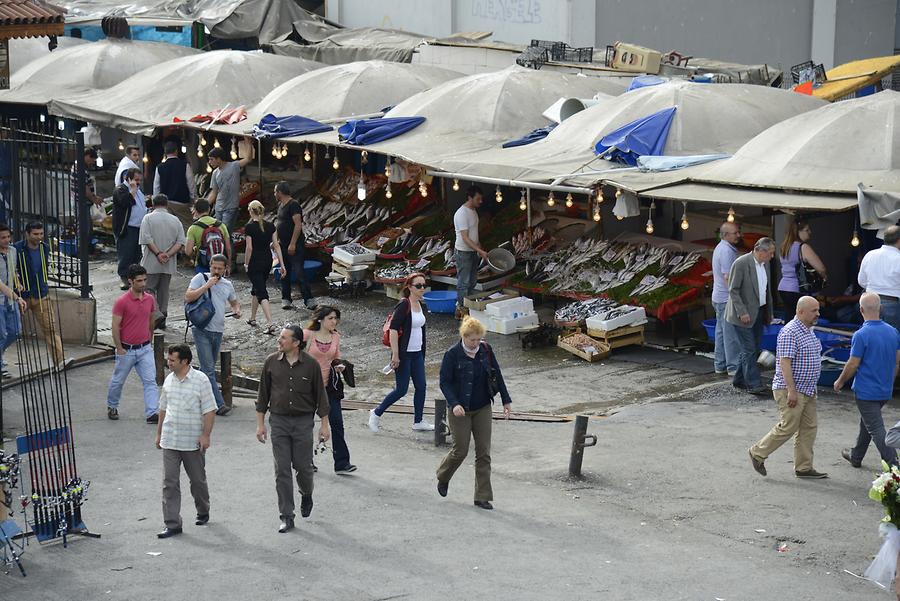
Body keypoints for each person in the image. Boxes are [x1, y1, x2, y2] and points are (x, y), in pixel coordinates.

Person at [255, 325, 331, 533]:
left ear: (296, 343)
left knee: (303, 468)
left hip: (302, 422)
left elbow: (321, 398)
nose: (279, 341)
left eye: (283, 338)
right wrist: (261, 424)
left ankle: (306, 494)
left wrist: (324, 426)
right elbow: (262, 395)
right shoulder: (271, 362)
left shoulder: (311, 365)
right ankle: (286, 515)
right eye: (279, 337)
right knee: (281, 470)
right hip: (279, 421)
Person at [436, 316, 512, 510]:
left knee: (484, 452)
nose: (476, 343)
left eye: (479, 339)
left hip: (483, 406)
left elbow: (497, 373)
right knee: (460, 450)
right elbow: (444, 382)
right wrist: (454, 404)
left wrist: (506, 399)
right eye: (472, 340)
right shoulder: (452, 354)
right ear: (464, 336)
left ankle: (482, 496)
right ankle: (443, 476)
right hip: (460, 409)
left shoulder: (486, 350)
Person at [749, 296, 827, 479]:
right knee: (788, 427)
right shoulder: (789, 332)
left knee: (809, 427)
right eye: (814, 310)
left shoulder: (808, 330)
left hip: (807, 389)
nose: (818, 314)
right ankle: (757, 453)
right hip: (791, 390)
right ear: (800, 312)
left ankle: (804, 467)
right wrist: (791, 390)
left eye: (817, 310)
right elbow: (784, 363)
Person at [155, 343, 217, 539]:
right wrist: (158, 434)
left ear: (185, 361)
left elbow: (210, 410)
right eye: (168, 359)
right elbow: (163, 409)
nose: (169, 363)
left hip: (192, 441)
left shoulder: (201, 381)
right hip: (170, 439)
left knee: (197, 480)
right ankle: (172, 523)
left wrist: (205, 435)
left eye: (172, 360)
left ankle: (203, 510)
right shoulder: (168, 381)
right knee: (169, 483)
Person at [835, 292, 900, 468]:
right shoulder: (893, 332)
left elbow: (853, 363)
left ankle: (895, 465)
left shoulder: (861, 334)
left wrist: (840, 381)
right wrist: (889, 381)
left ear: (861, 309)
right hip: (884, 389)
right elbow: (897, 362)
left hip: (866, 391)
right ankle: (856, 456)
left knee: (876, 427)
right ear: (881, 308)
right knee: (869, 422)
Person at [369, 272, 433, 433]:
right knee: (401, 389)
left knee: (421, 386)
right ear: (409, 287)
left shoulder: (420, 304)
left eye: (424, 285)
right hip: (404, 355)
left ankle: (418, 421)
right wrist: (395, 355)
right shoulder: (404, 304)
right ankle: (376, 413)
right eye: (418, 286)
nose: (422, 288)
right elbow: (393, 330)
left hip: (417, 353)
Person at [184, 253, 240, 416]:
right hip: (200, 328)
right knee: (209, 369)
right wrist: (207, 285)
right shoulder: (200, 278)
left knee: (204, 369)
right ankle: (218, 404)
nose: (216, 271)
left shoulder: (228, 285)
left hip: (218, 330)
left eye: (219, 269)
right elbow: (188, 297)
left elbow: (234, 302)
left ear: (225, 270)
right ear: (209, 266)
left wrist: (236, 311)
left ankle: (192, 397)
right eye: (213, 267)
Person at [304, 306, 356, 474]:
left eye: (336, 318)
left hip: (329, 386)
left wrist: (339, 365)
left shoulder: (335, 336)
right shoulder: (307, 335)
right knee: (305, 424)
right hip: (307, 387)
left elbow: (336, 357)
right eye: (331, 318)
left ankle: (342, 463)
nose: (334, 321)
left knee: (337, 423)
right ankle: (305, 462)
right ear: (320, 319)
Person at [14, 221, 70, 371]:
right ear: (27, 234)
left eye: (41, 234)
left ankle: (60, 361)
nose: (39, 237)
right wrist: (17, 283)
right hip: (22, 296)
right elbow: (11, 269)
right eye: (35, 234)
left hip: (41, 294)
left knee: (50, 329)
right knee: (10, 331)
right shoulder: (17, 249)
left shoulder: (45, 248)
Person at [107, 264, 159, 422]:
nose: (143, 284)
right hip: (126, 349)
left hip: (144, 348)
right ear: (130, 281)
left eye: (144, 280)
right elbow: (115, 325)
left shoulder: (150, 299)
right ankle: (112, 405)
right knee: (118, 380)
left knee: (150, 381)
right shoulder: (122, 302)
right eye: (139, 281)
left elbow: (151, 320)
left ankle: (152, 412)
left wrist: (149, 341)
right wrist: (119, 348)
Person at [726, 237, 776, 395]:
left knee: (753, 348)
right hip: (743, 314)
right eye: (771, 253)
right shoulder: (741, 263)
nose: (772, 256)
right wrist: (742, 312)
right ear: (761, 251)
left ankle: (739, 379)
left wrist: (769, 313)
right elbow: (733, 290)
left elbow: (766, 291)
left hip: (758, 311)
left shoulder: (764, 265)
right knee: (749, 349)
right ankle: (754, 383)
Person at [139, 194, 185, 330]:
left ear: (153, 204)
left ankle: (157, 314)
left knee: (148, 289)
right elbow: (180, 242)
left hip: (151, 260)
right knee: (164, 290)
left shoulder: (148, 218)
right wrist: (168, 254)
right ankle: (163, 316)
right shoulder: (175, 220)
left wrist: (158, 253)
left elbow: (146, 239)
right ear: (167, 204)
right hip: (168, 262)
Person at [244, 200, 285, 335]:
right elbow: (276, 246)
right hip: (267, 261)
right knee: (257, 287)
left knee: (261, 291)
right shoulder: (271, 226)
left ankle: (270, 323)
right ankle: (253, 318)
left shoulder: (249, 227)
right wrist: (282, 264)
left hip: (254, 262)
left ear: (251, 211)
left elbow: (249, 248)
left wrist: (246, 263)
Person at [274, 181, 315, 310]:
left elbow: (298, 225)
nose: (274, 194)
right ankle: (286, 298)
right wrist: (275, 240)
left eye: (275, 191)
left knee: (299, 272)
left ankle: (308, 299)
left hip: (295, 246)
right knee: (284, 272)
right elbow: (279, 224)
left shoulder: (294, 205)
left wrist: (293, 243)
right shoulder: (280, 206)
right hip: (282, 244)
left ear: (280, 192)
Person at [778, 218, 827, 321]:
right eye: (807, 230)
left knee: (789, 316)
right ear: (798, 231)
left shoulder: (784, 247)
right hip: (797, 288)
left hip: (783, 287)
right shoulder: (803, 247)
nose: (810, 232)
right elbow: (821, 268)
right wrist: (824, 278)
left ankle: (787, 336)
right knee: (802, 319)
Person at [453, 185, 489, 319]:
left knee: (472, 281)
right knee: (464, 282)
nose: (480, 201)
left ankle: (467, 306)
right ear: (470, 198)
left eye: (481, 199)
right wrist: (479, 250)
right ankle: (462, 309)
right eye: (478, 199)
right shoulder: (461, 213)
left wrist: (480, 248)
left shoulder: (473, 211)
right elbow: (465, 237)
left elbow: (474, 233)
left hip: (472, 251)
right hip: (463, 252)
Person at [711, 222, 741, 376]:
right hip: (725, 298)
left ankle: (720, 364)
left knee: (721, 332)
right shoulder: (727, 251)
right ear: (725, 235)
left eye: (738, 232)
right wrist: (736, 297)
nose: (738, 235)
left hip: (718, 296)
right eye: (735, 233)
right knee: (730, 334)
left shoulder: (721, 248)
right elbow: (728, 276)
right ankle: (733, 366)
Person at [206, 140, 253, 237]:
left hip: (231, 208)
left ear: (219, 159)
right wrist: (203, 205)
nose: (210, 162)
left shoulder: (234, 166)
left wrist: (248, 143)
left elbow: (248, 159)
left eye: (211, 159)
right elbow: (214, 192)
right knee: (220, 235)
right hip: (218, 208)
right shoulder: (215, 173)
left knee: (225, 234)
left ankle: (228, 252)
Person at [859, 225, 900, 332]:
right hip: (892, 304)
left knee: (872, 338)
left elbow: (861, 281)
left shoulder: (869, 255)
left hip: (869, 302)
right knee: (892, 341)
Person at [112, 168, 147, 290]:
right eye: (136, 180)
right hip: (127, 227)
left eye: (139, 180)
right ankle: (124, 277)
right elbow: (124, 202)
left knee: (136, 254)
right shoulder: (121, 189)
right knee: (126, 253)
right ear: (129, 178)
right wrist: (132, 190)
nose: (138, 182)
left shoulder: (138, 191)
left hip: (138, 227)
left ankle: (134, 277)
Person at [0, 224, 27, 379]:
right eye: (3, 238)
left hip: (11, 299)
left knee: (15, 331)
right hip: (4, 298)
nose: (6, 240)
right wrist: (17, 297)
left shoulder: (12, 251)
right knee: (2, 334)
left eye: (8, 237)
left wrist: (17, 282)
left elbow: (13, 270)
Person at [152, 140, 195, 230]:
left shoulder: (159, 167)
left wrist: (156, 203)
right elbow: (191, 185)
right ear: (176, 151)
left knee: (168, 229)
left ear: (165, 153)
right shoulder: (185, 165)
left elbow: (156, 188)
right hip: (182, 203)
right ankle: (186, 244)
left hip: (165, 204)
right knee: (187, 227)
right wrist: (193, 200)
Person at [184, 199, 231, 275]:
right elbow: (228, 248)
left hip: (202, 265)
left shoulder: (193, 228)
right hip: (219, 265)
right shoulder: (221, 225)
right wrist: (228, 264)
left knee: (203, 285)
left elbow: (188, 251)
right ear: (209, 209)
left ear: (195, 210)